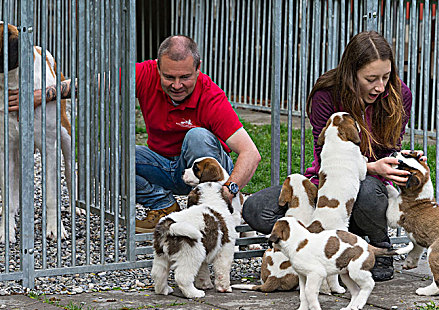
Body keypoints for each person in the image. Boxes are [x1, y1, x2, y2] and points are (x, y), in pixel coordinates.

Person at [8, 35, 261, 233]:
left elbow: (251, 153)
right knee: (103, 160)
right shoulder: (145, 73)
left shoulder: (211, 96)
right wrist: (44, 93)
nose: (176, 85)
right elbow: (93, 83)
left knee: (196, 137)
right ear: (158, 66)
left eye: (185, 77)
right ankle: (163, 206)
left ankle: (210, 217)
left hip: (204, 170)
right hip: (164, 165)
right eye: (168, 76)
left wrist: (228, 192)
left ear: (198, 68)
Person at [242, 31, 422, 281]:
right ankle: (322, 243)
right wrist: (369, 166)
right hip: (327, 179)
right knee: (256, 209)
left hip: (370, 185)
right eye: (371, 79)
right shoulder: (326, 94)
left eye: (386, 76)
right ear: (351, 73)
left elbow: (392, 147)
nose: (380, 87)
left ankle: (379, 248)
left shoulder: (399, 94)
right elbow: (322, 153)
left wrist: (399, 162)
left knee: (368, 192)